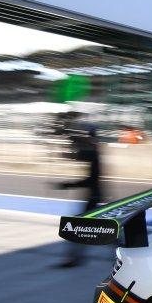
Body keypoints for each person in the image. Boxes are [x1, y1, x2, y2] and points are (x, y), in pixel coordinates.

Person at [52, 111, 104, 268]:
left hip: (94, 196)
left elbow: (89, 179)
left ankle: (75, 258)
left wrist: (68, 185)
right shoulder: (95, 151)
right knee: (101, 228)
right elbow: (80, 154)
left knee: (79, 227)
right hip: (95, 196)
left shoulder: (94, 153)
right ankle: (124, 248)